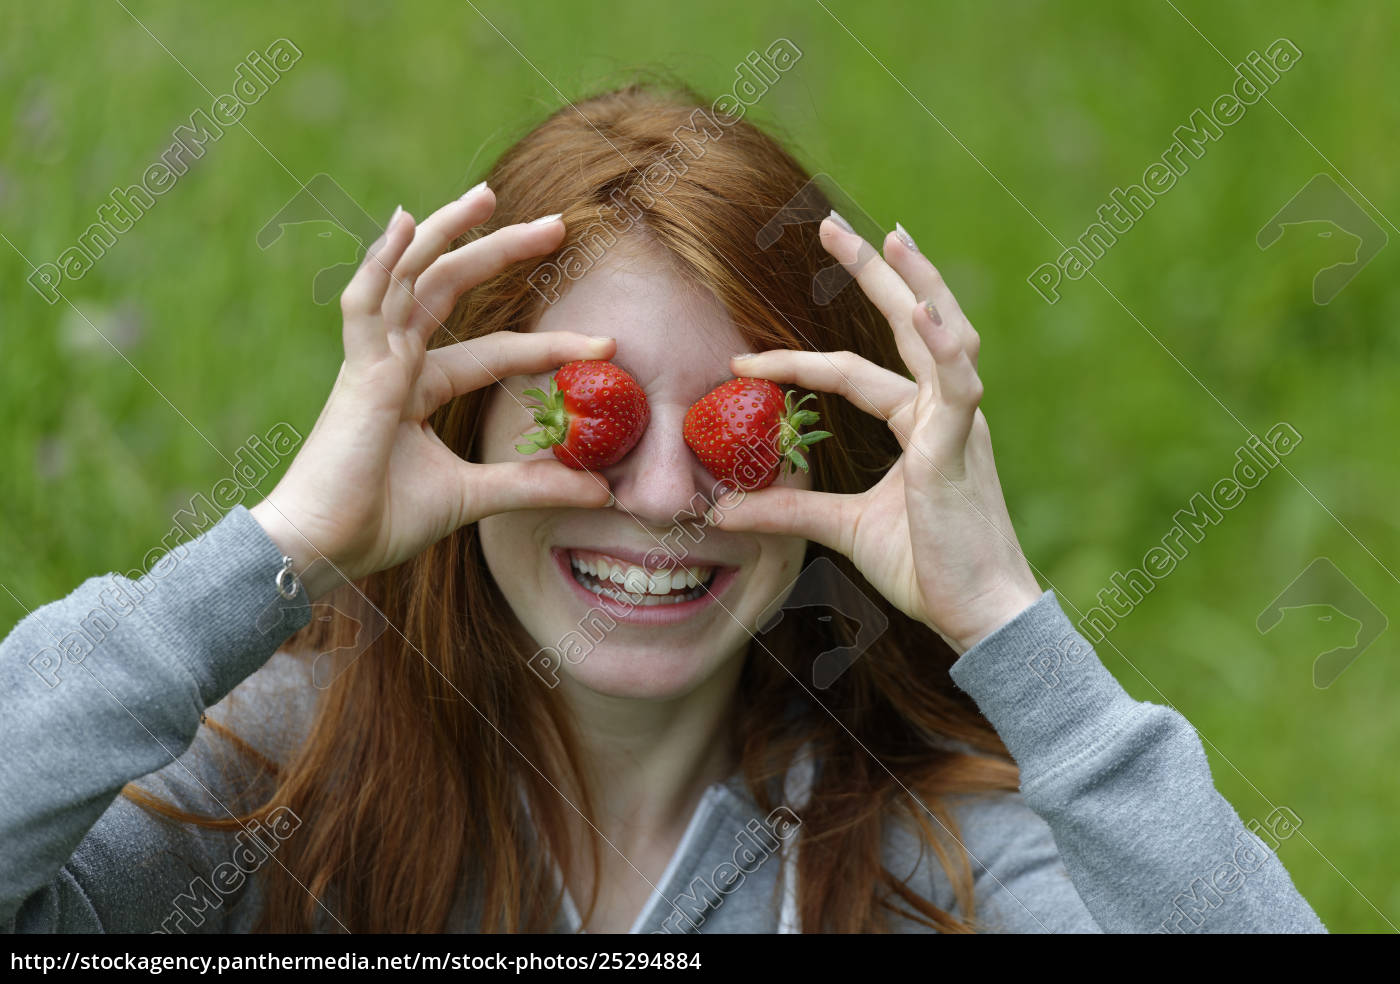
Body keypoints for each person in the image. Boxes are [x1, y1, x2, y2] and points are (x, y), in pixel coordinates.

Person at [0, 84, 1325, 933]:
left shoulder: (927, 865)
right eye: (592, 419)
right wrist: (281, 549)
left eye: (729, 435)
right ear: (449, 427)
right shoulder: (279, 786)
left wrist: (1005, 622)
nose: (666, 498)